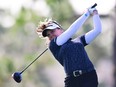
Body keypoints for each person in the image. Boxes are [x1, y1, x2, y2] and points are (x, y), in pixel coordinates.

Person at [36, 5, 102, 87]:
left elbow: (97, 30)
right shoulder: (53, 45)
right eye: (48, 35)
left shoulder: (79, 41)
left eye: (52, 31)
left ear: (60, 29)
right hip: (72, 81)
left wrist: (95, 13)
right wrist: (86, 14)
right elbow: (72, 30)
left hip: (89, 76)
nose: (51, 35)